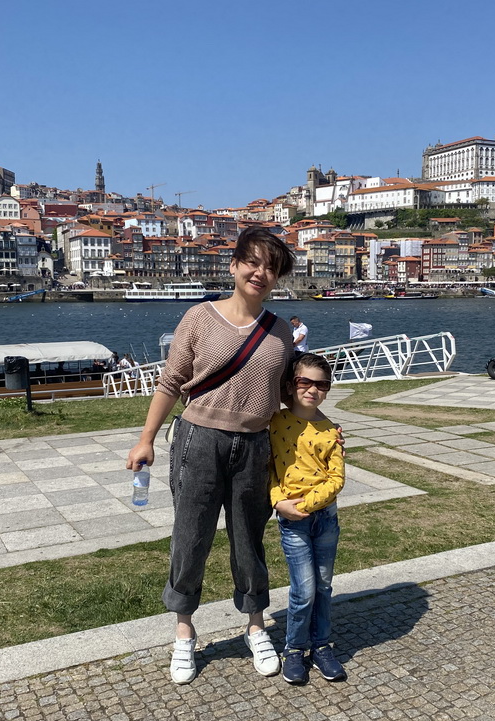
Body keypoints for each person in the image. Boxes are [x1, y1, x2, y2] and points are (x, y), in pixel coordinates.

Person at [126, 227, 295, 685]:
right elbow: (170, 381)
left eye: (271, 268)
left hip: (254, 445)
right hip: (199, 440)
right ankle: (184, 630)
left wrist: (316, 436)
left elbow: (286, 396)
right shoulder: (199, 317)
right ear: (235, 264)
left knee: (249, 539)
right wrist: (146, 439)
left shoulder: (281, 332)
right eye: (253, 262)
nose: (261, 273)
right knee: (191, 536)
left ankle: (255, 624)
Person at [270, 353, 346, 685]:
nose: (313, 390)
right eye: (305, 382)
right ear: (291, 385)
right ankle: (294, 650)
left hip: (325, 518)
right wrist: (280, 502)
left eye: (321, 384)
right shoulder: (275, 423)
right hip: (293, 520)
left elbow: (337, 478)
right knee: (304, 590)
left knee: (324, 586)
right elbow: (267, 470)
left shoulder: (331, 431)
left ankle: (322, 647)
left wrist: (308, 503)